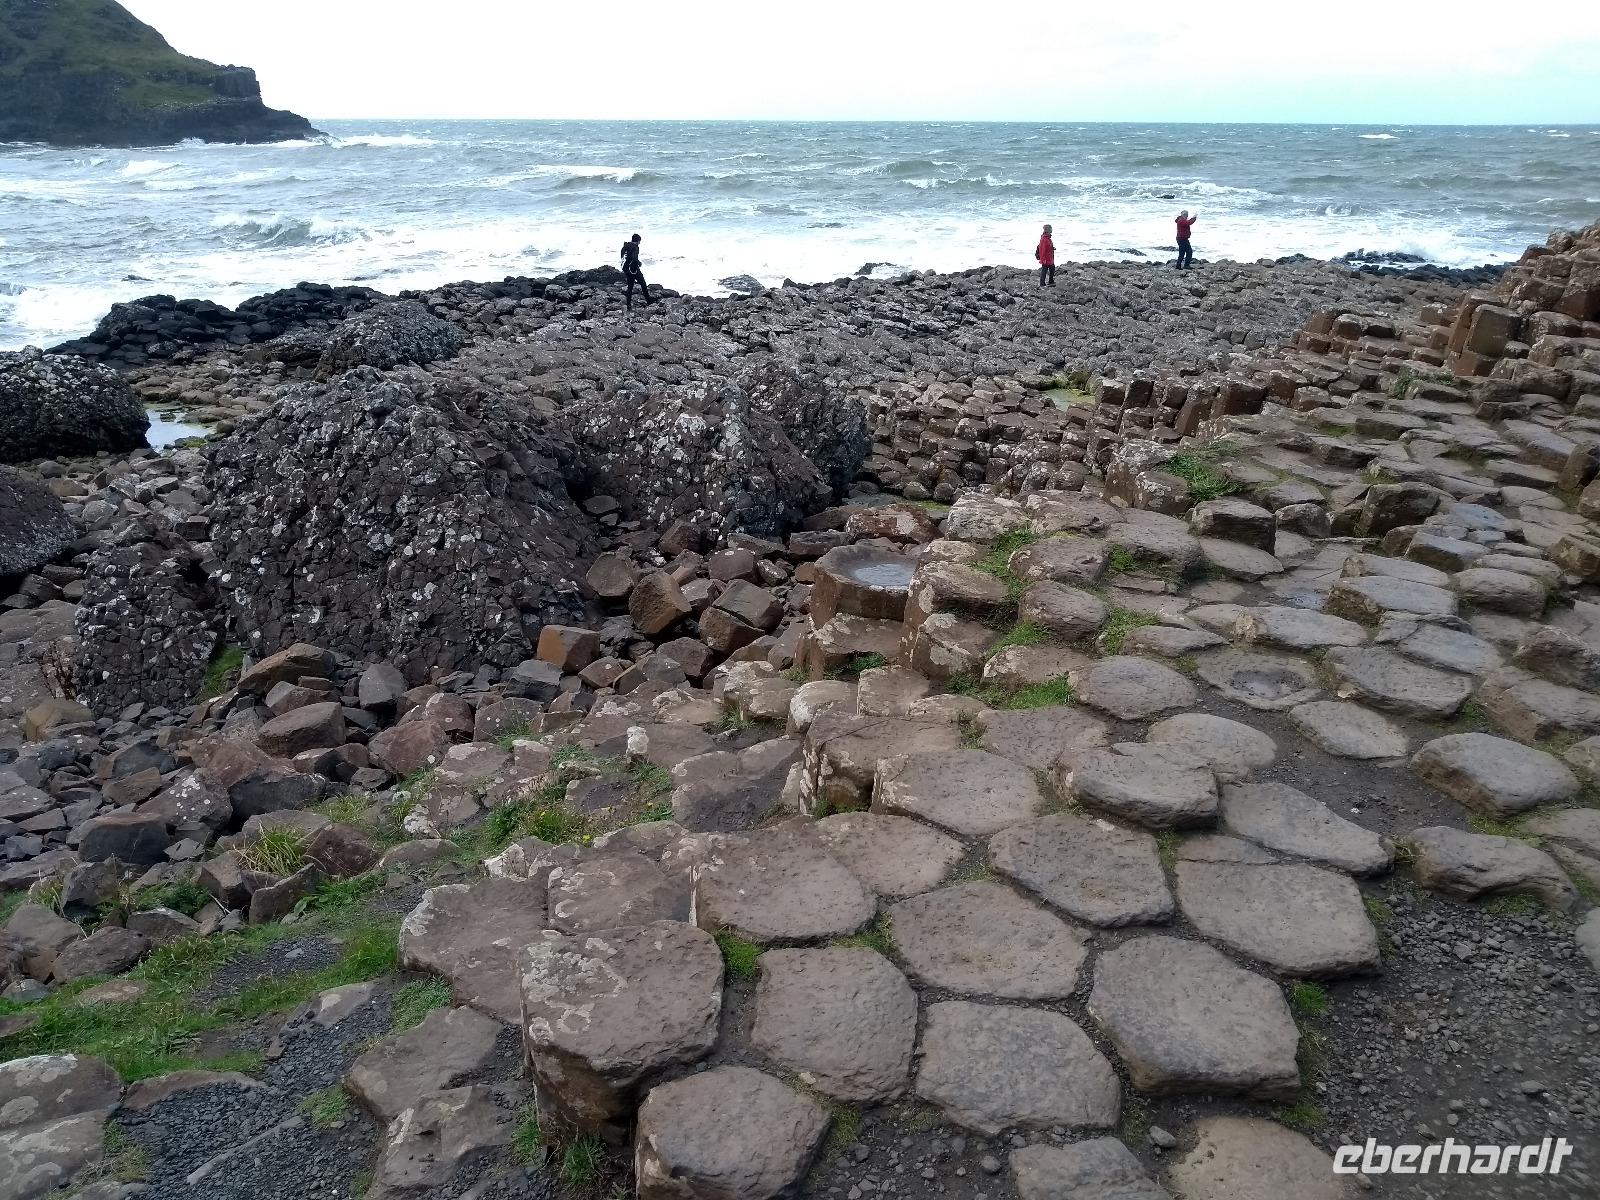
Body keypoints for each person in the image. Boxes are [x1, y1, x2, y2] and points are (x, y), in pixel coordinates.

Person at [620, 233, 651, 309]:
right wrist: (639, 263)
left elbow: (622, 256)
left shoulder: (625, 246)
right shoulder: (635, 247)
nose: (639, 243)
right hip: (633, 269)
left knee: (630, 287)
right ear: (637, 241)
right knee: (643, 284)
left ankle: (628, 305)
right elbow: (634, 257)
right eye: (639, 241)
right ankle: (649, 301)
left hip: (626, 269)